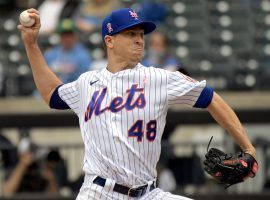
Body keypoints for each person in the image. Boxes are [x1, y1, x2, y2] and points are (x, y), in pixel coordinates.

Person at [18, 8, 257, 200]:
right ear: (109, 41)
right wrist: (31, 45)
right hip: (98, 192)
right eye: (130, 34)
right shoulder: (87, 82)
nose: (139, 41)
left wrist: (249, 148)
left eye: (141, 34)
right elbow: (52, 94)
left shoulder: (159, 78)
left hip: (148, 192)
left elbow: (211, 98)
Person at [44, 18, 92, 83]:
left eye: (69, 35)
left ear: (75, 36)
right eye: (63, 35)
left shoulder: (83, 55)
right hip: (54, 89)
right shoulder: (50, 54)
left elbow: (84, 80)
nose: (66, 38)